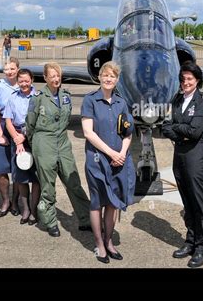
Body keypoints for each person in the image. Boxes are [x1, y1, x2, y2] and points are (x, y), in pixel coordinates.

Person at [26, 62, 91, 237]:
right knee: (48, 185)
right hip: (44, 142)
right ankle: (50, 221)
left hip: (62, 142)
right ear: (45, 78)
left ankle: (86, 219)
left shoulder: (65, 95)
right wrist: (37, 145)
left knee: (73, 181)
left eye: (58, 76)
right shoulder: (37, 98)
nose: (56, 79)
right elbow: (29, 124)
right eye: (52, 76)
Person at [81, 61, 135, 264]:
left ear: (117, 79)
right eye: (105, 75)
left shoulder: (121, 103)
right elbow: (88, 133)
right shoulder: (90, 100)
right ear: (99, 77)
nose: (108, 78)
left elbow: (128, 133)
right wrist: (112, 153)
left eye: (112, 76)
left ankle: (109, 241)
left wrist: (121, 152)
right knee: (97, 202)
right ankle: (99, 244)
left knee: (113, 203)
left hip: (118, 160)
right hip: (97, 159)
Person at [162, 61, 203, 268]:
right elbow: (165, 127)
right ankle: (191, 240)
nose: (185, 82)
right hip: (180, 155)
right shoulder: (176, 99)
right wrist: (179, 131)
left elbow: (195, 132)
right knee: (187, 201)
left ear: (197, 80)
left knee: (200, 203)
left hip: (196, 156)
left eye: (190, 79)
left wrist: (177, 129)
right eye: (183, 79)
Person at [4, 69, 40, 225]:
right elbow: (8, 121)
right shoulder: (12, 98)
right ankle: (25, 209)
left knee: (36, 177)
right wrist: (17, 140)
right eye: (21, 81)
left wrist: (24, 137)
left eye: (26, 81)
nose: (24, 84)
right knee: (21, 176)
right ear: (17, 82)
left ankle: (34, 209)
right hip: (17, 137)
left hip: (35, 138)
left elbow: (39, 120)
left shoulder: (39, 98)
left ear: (31, 80)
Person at [0, 57, 21, 217]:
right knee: (1, 169)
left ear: (18, 69)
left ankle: (15, 201)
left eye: (12, 69)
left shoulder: (24, 85)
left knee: (18, 168)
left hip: (18, 128)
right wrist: (1, 135)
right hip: (2, 125)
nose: (9, 72)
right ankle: (6, 200)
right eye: (6, 69)